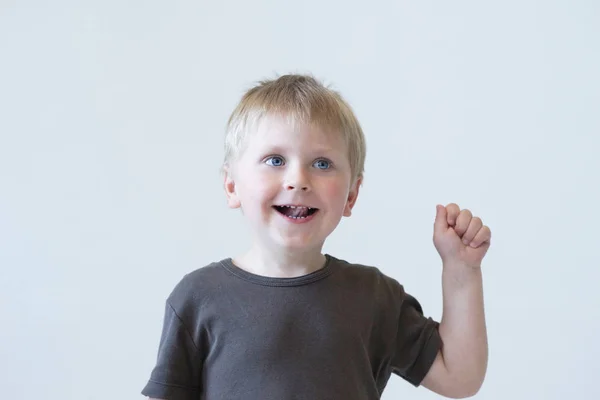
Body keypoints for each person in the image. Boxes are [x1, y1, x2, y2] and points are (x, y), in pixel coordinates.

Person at [141, 74, 491, 400]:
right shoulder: (198, 298)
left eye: (322, 163)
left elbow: (459, 376)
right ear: (232, 186)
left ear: (351, 196)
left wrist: (461, 272)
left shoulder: (374, 297)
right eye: (275, 160)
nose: (298, 179)